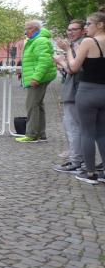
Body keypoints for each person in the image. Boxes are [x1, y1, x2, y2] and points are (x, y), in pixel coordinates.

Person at [56, 9, 105, 184]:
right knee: (102, 133)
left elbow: (74, 67)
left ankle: (90, 173)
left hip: (88, 91)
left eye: (89, 24)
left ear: (100, 25)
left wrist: (68, 52)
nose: (86, 27)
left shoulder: (89, 42)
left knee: (87, 133)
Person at [52, 19, 86, 173]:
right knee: (74, 126)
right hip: (76, 89)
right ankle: (79, 160)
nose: (70, 32)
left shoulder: (81, 44)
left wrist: (62, 61)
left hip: (76, 90)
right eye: (69, 29)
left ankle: (77, 161)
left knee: (73, 127)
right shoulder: (78, 44)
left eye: (74, 29)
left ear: (83, 30)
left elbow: (75, 69)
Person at [16, 20, 56, 143]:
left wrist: (36, 77)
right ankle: (40, 134)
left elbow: (44, 61)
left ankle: (31, 134)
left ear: (35, 29)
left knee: (32, 105)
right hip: (39, 76)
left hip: (38, 78)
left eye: (28, 29)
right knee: (38, 105)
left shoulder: (40, 41)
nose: (25, 31)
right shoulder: (36, 40)